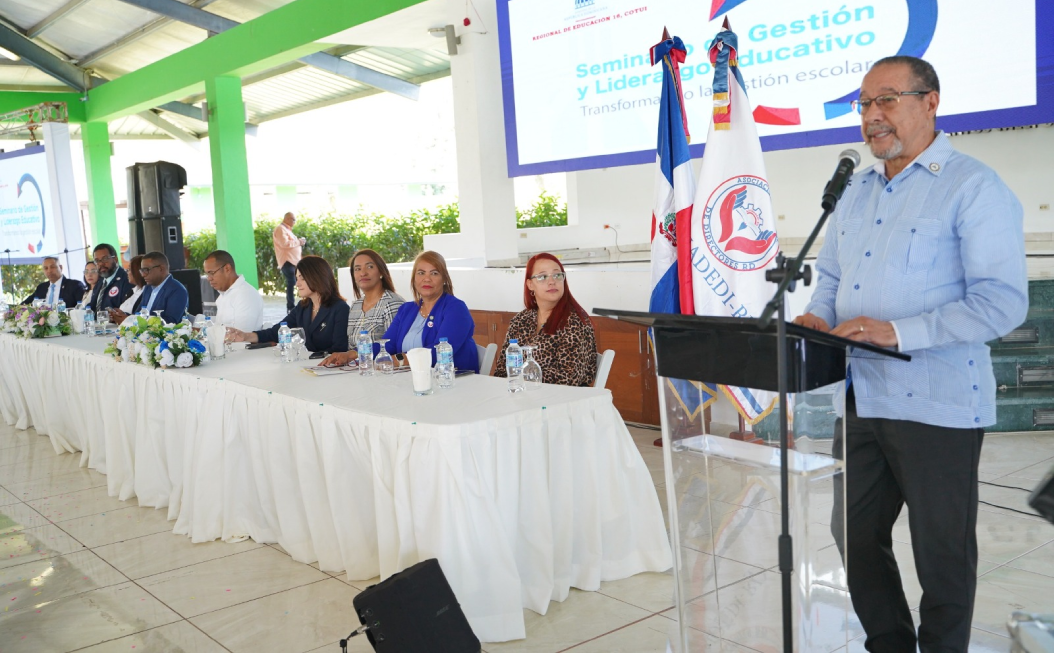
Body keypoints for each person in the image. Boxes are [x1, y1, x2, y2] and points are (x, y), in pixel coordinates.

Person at [793, 56, 1027, 652]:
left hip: (938, 404)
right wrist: (820, 314)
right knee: (854, 533)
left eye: (887, 100)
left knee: (941, 550)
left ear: (930, 102)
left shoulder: (973, 186)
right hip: (862, 397)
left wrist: (899, 331)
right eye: (865, 104)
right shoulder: (854, 190)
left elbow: (1002, 303)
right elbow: (832, 276)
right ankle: (890, 644)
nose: (872, 117)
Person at [323, 250, 477, 371]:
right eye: (421, 273)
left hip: (450, 381)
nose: (427, 279)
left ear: (444, 279)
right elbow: (387, 345)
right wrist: (351, 354)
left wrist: (398, 361)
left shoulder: (456, 308)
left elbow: (440, 353)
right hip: (408, 379)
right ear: (414, 279)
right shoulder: (407, 309)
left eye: (434, 273)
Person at [494, 253, 597, 386]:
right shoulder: (520, 320)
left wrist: (521, 378)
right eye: (542, 277)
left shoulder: (575, 322)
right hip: (524, 396)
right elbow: (502, 370)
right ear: (530, 284)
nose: (552, 281)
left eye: (557, 275)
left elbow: (568, 378)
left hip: (563, 401)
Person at [228, 255, 349, 354]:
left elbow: (340, 349)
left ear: (317, 277)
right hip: (306, 367)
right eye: (296, 278)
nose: (297, 284)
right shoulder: (303, 307)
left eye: (302, 278)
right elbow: (277, 331)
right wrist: (245, 336)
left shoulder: (340, 309)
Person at [315, 249, 404, 367]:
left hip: (381, 371)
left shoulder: (392, 303)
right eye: (357, 269)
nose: (363, 273)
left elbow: (394, 347)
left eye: (370, 267)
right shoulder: (355, 306)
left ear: (381, 272)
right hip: (356, 370)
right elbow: (350, 347)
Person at [117, 251, 189, 325]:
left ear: (161, 269)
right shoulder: (148, 288)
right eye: (142, 271)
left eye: (146, 270)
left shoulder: (177, 290)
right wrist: (124, 316)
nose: (143, 275)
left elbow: (171, 322)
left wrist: (131, 320)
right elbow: (138, 315)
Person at [204, 249, 263, 332]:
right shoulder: (223, 295)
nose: (209, 278)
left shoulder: (245, 295)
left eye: (212, 273)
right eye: (207, 274)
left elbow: (241, 336)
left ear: (227, 269)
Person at [88, 243, 135, 316]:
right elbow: (92, 306)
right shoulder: (101, 281)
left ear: (115, 259)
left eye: (105, 259)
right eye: (97, 261)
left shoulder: (126, 280)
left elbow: (125, 311)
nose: (100, 264)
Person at [21, 256, 85, 307]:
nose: (49, 271)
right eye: (46, 268)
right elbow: (24, 305)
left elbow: (82, 307)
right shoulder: (41, 288)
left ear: (60, 267)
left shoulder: (75, 285)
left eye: (52, 267)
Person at [273, 212, 306, 312]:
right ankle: (290, 307)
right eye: (293, 219)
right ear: (287, 219)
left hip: (293, 261)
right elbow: (285, 244)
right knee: (292, 282)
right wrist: (299, 242)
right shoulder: (280, 229)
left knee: (296, 281)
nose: (294, 222)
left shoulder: (287, 230)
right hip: (287, 261)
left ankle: (296, 305)